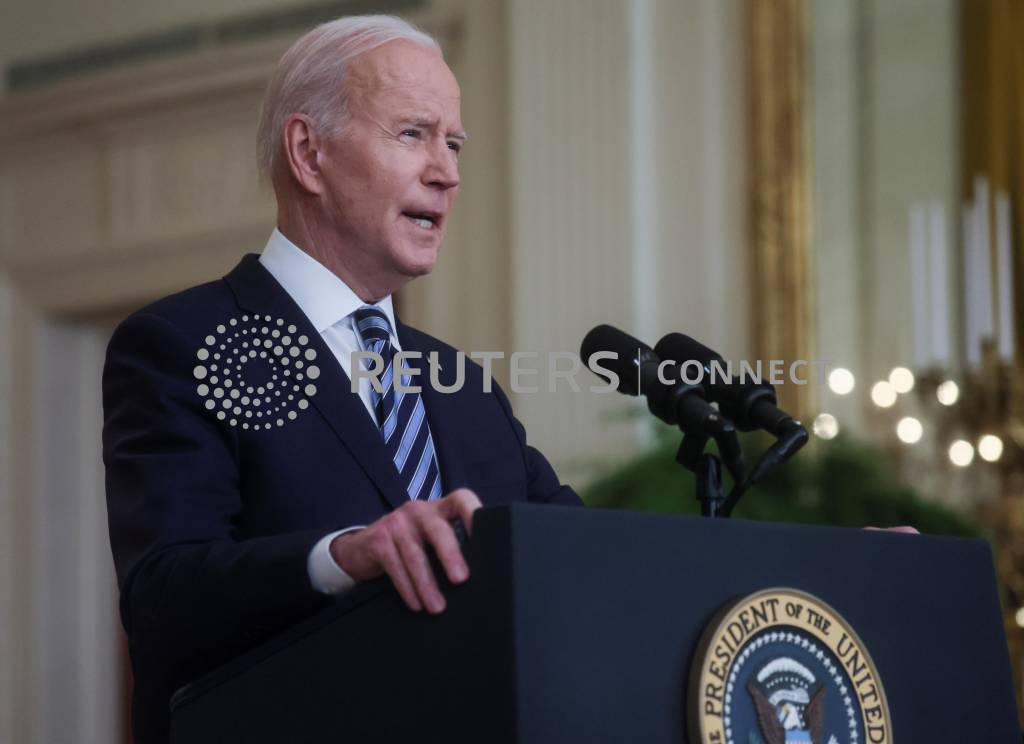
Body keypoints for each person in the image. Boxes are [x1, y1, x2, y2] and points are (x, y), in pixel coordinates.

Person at [102, 15, 580, 743]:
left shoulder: (464, 387)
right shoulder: (181, 344)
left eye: (453, 143)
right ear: (309, 152)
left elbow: (569, 551)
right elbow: (164, 599)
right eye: (413, 134)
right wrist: (342, 556)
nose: (447, 171)